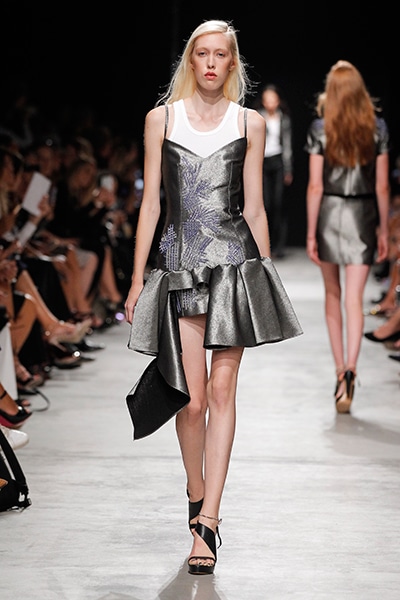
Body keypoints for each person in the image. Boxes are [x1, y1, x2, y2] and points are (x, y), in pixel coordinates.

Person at [124, 20, 302, 576]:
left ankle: (209, 521)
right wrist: (136, 279)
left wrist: (265, 278)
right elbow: (151, 204)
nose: (209, 62)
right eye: (201, 53)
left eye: (219, 54)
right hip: (179, 266)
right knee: (192, 400)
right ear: (190, 60)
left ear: (232, 63)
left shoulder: (251, 122)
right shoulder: (161, 120)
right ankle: (195, 493)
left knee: (222, 392)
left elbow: (255, 207)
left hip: (233, 267)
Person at [305, 60, 390, 414]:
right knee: (354, 299)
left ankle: (339, 370)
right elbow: (382, 185)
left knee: (333, 295)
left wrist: (311, 232)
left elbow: (315, 185)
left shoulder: (320, 128)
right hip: (363, 214)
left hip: (329, 212)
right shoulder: (376, 128)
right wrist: (383, 228)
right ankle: (352, 369)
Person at [257, 84, 293, 258]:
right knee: (266, 204)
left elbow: (287, 145)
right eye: (267, 100)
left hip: (278, 161)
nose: (270, 103)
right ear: (263, 101)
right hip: (262, 162)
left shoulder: (283, 118)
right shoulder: (258, 117)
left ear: (278, 101)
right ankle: (265, 244)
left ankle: (279, 245)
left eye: (273, 99)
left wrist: (288, 169)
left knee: (279, 204)